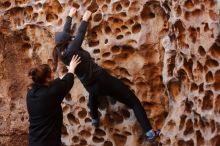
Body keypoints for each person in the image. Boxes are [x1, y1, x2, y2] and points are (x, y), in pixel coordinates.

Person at [53, 8, 160, 143]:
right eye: (70, 39)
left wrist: (69, 17)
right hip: (103, 80)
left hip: (90, 86)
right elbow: (80, 33)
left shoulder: (61, 54)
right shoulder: (73, 49)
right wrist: (85, 18)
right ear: (68, 42)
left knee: (93, 94)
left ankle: (94, 119)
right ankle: (150, 133)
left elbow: (64, 34)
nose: (71, 38)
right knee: (133, 102)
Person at [26, 55, 81, 146]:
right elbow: (67, 82)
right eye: (51, 73)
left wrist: (63, 76)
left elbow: (54, 84)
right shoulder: (50, 94)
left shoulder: (30, 93)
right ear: (47, 79)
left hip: (34, 141)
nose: (53, 74)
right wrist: (72, 68)